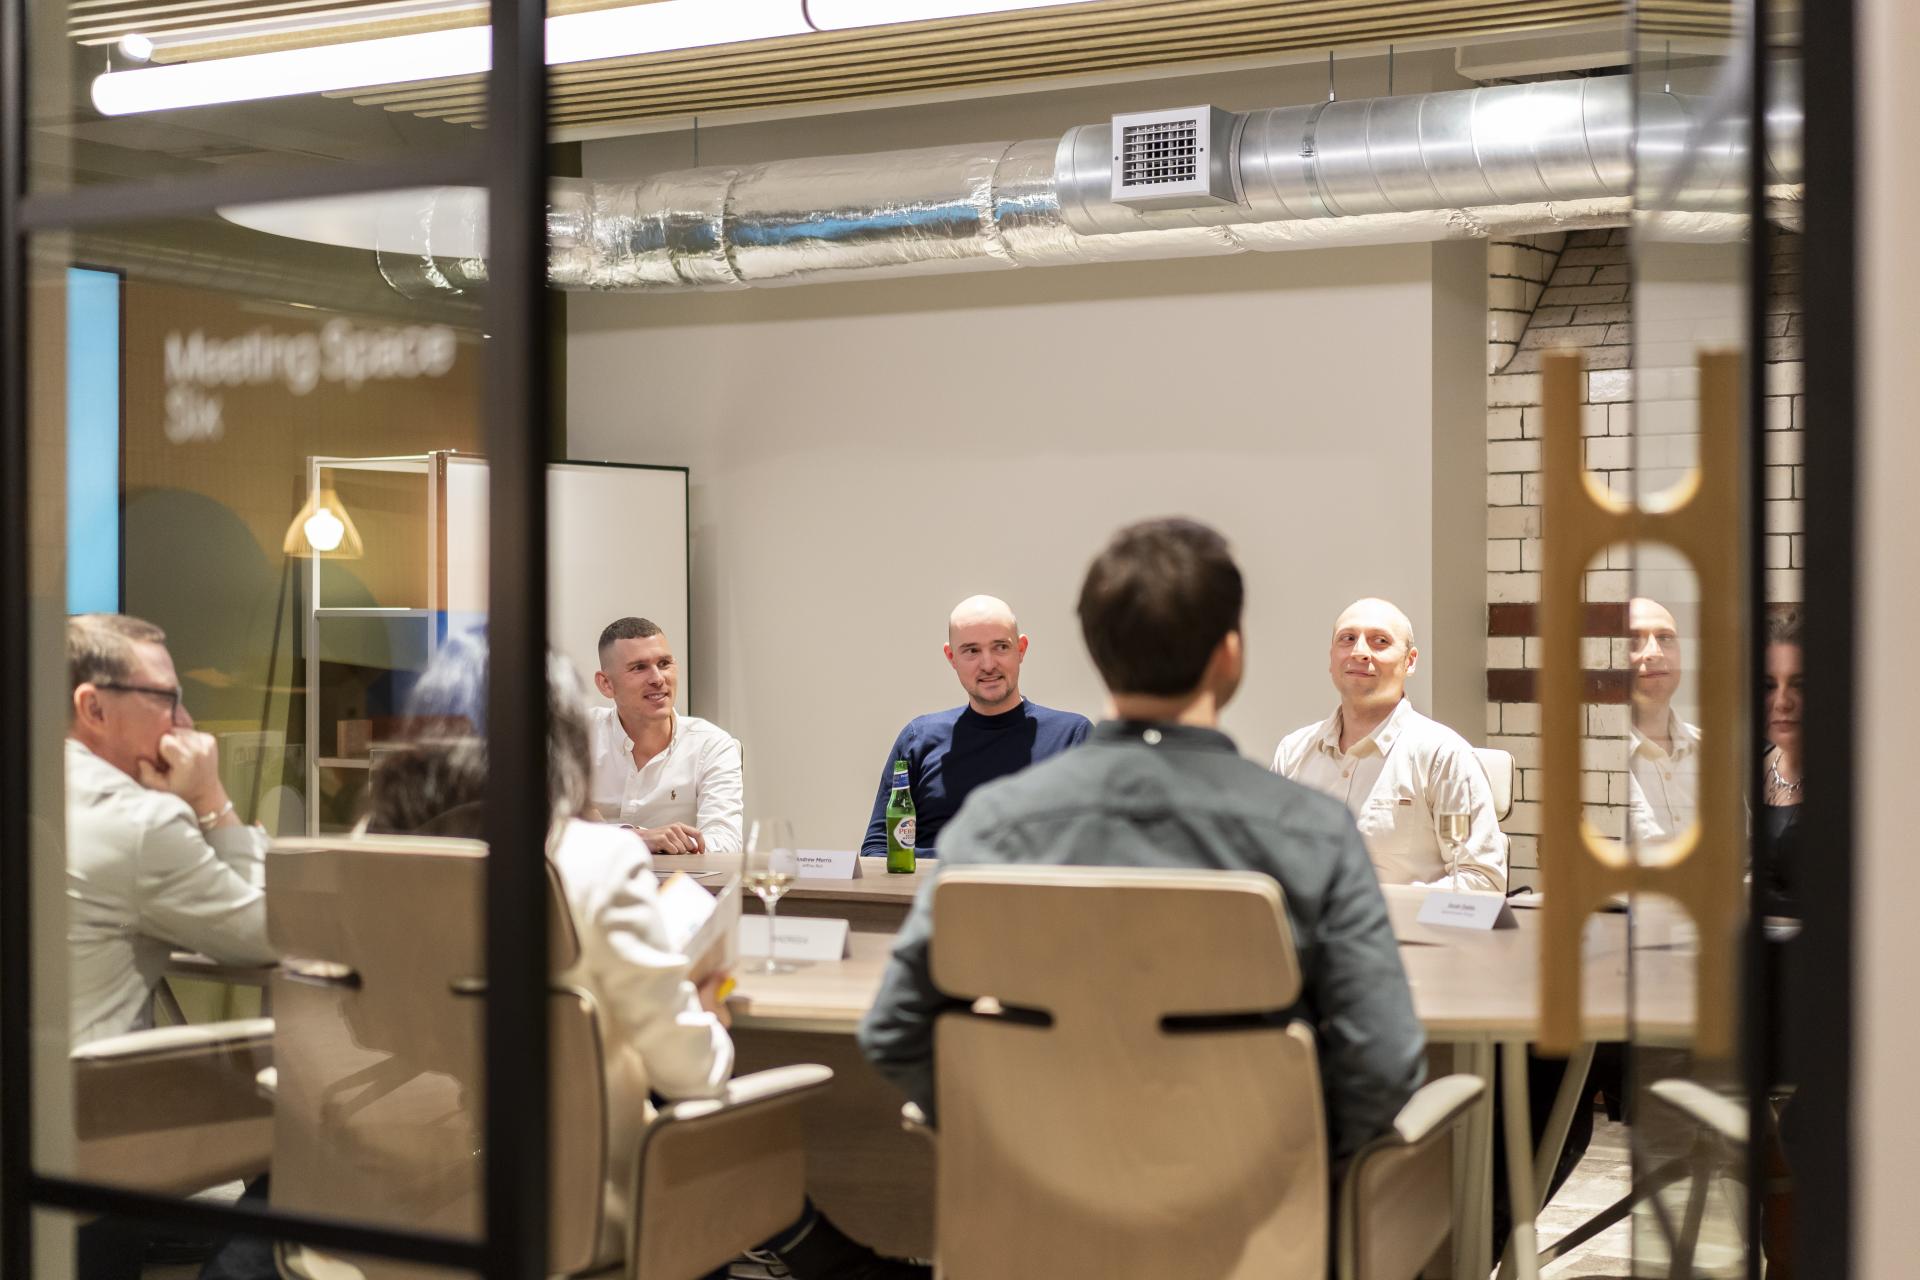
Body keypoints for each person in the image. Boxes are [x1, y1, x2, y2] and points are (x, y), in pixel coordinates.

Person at [859, 520, 1425, 1164]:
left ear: (1098, 656)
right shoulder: (1314, 834)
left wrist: (1022, 1143)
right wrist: (1279, 1163)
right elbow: (1383, 1064)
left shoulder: (992, 829)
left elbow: (894, 1030)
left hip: (1042, 1200)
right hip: (1254, 1206)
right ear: (1230, 655)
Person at [369, 633, 921, 1280]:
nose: (657, 677)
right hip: (588, 1191)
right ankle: (827, 1256)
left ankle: (823, 1253)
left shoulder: (379, 852)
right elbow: (694, 1074)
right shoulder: (589, 859)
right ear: (565, 734)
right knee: (688, 1116)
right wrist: (707, 1009)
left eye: (664, 663)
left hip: (408, 1173)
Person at [64, 613, 275, 1048]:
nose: (186, 720)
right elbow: (271, 936)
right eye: (167, 698)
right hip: (94, 1088)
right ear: (94, 709)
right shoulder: (139, 821)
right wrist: (210, 798)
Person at [1271, 598, 1507, 893]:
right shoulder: (1292, 752)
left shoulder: (1443, 756)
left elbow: (1482, 881)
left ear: (1410, 661)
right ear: (1331, 657)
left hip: (1404, 923)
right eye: (1347, 639)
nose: (1359, 651)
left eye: (1380, 641)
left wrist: (1382, 907)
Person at [860, 594, 1090, 858]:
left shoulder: (1071, 737)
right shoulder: (919, 739)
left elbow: (1091, 847)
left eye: (1000, 647)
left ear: (1021, 649)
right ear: (951, 657)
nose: (988, 664)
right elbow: (878, 849)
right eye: (972, 651)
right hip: (932, 885)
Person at [588, 616, 743, 855]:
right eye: (639, 667)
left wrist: (658, 842)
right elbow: (547, 828)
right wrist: (636, 838)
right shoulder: (577, 736)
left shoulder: (712, 745)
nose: (658, 679)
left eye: (664, 663)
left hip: (678, 878)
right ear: (606, 684)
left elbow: (726, 842)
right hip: (587, 878)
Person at [1626, 596, 1701, 845]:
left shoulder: (1715, 753)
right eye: (1634, 640)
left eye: (1665, 638)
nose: (1654, 653)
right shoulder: (1596, 758)